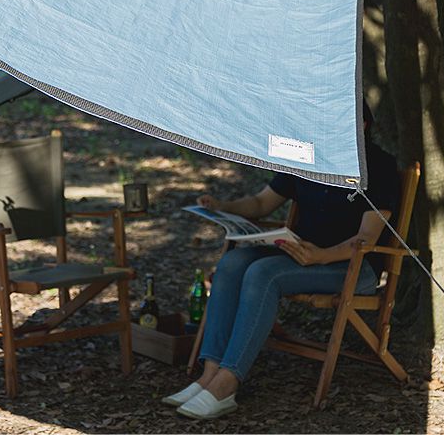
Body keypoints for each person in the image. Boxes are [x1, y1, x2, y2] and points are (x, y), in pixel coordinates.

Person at [164, 102, 399, 419]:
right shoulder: (309, 158)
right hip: (301, 256)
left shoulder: (379, 167)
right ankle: (209, 374)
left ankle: (227, 384)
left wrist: (322, 255)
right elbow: (261, 203)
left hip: (352, 267)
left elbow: (366, 239)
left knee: (264, 274)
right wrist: (222, 205)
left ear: (362, 126)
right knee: (233, 263)